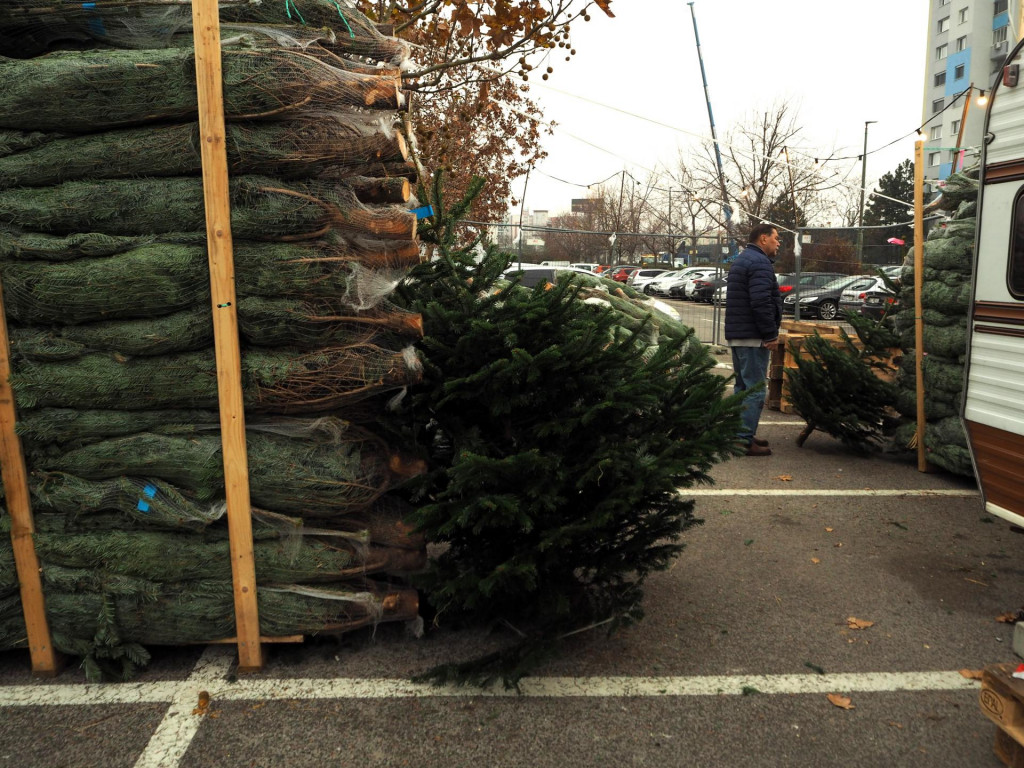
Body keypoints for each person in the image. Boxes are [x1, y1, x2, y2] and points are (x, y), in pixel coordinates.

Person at [724, 223, 783, 456]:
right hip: (753, 337)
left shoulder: (742, 259)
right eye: (775, 238)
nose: (778, 243)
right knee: (756, 389)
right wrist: (770, 334)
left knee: (742, 387)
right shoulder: (759, 263)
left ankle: (740, 433)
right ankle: (742, 439)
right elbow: (761, 302)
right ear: (763, 239)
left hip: (739, 335)